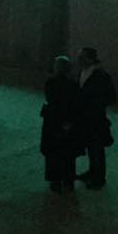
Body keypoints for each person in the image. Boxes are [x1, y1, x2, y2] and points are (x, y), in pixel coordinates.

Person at [75, 47, 116, 189]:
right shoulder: (83, 72)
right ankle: (92, 171)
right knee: (91, 147)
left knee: (97, 148)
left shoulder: (100, 75)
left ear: (90, 59)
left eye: (82, 57)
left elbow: (110, 97)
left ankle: (99, 178)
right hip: (86, 116)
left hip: (95, 118)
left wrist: (95, 105)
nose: (79, 60)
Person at [40, 55, 80, 193]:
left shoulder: (50, 83)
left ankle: (55, 181)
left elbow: (51, 100)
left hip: (53, 121)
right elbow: (75, 104)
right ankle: (68, 181)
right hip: (68, 122)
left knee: (53, 153)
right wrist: (69, 122)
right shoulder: (74, 84)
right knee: (68, 153)